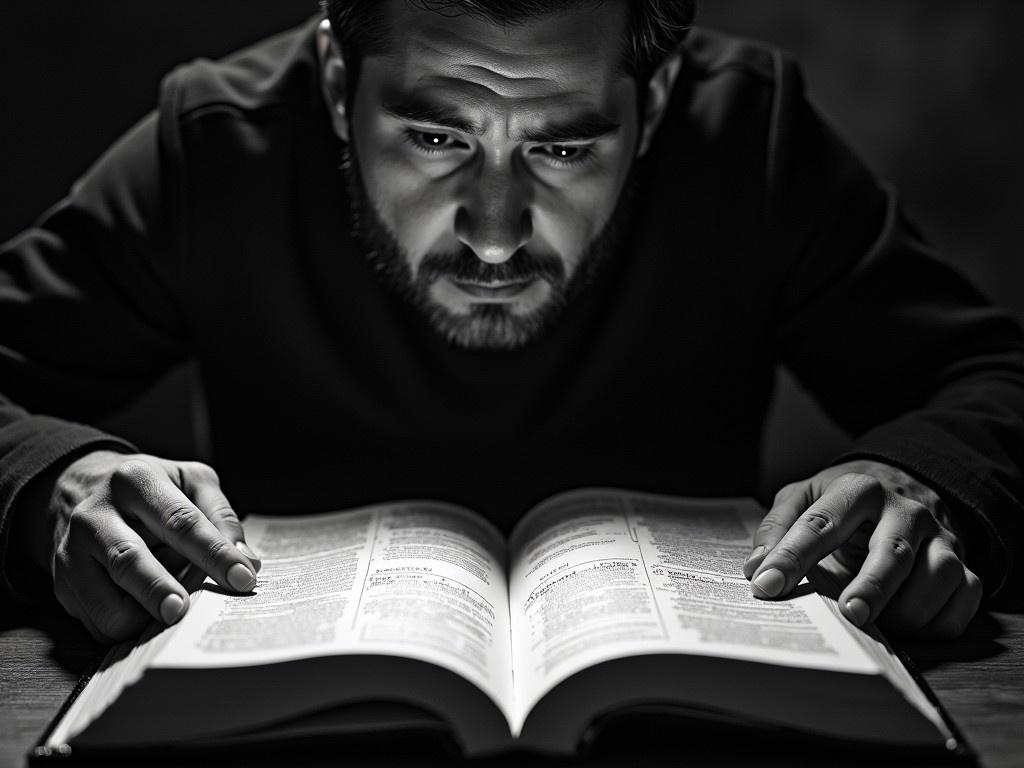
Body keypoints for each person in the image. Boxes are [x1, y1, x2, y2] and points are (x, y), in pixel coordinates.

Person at [1, 0, 1022, 645]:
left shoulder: (746, 137)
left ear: (656, 104)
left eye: (563, 151)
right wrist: (50, 482)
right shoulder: (219, 147)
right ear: (332, 82)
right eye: (436, 136)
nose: (494, 236)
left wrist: (928, 479)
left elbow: (990, 378)